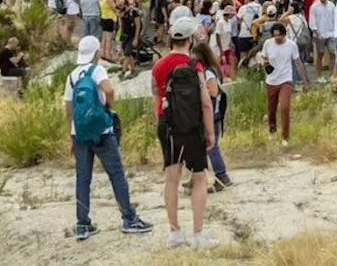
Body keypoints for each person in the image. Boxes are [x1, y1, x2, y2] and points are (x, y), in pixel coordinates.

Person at [65, 35, 153, 241]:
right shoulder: (97, 70)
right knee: (116, 174)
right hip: (102, 132)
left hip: (80, 134)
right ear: (97, 52)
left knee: (83, 178)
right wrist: (108, 108)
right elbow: (109, 89)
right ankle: (129, 219)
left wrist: (71, 136)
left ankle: (83, 224)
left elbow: (69, 109)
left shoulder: (72, 76)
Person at [150, 16, 216, 250]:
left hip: (167, 125)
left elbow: (156, 99)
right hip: (191, 126)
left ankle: (175, 232)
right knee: (199, 177)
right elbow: (206, 101)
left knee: (171, 179)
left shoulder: (158, 66)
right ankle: (198, 233)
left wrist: (159, 122)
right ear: (190, 40)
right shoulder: (193, 65)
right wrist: (210, 132)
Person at [259, 22, 311, 146]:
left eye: (280, 36)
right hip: (271, 80)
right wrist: (265, 63)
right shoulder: (268, 44)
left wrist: (305, 82)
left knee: (285, 107)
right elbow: (263, 57)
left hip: (286, 80)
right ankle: (272, 131)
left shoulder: (291, 45)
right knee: (271, 109)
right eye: (275, 35)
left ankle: (286, 137)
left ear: (284, 34)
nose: (277, 38)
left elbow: (298, 63)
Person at [192, 41, 232, 193]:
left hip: (211, 115)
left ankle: (222, 176)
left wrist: (197, 94)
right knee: (199, 147)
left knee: (211, 147)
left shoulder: (208, 73)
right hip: (209, 114)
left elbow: (213, 92)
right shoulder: (208, 70)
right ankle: (196, 179)